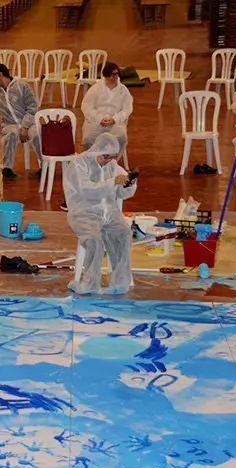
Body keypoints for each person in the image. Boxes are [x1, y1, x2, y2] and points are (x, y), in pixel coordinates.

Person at [64, 133, 136, 295]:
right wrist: (112, 182)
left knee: (124, 233)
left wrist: (129, 183)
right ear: (96, 151)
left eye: (111, 157)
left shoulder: (112, 166)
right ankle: (89, 283)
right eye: (105, 157)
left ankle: (119, 282)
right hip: (84, 213)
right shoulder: (78, 164)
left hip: (109, 213)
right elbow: (86, 190)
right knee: (94, 240)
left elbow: (123, 194)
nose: (107, 161)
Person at [81, 62, 133, 152]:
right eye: (113, 75)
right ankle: (91, 161)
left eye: (117, 74)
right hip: (96, 122)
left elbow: (127, 108)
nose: (115, 77)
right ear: (106, 76)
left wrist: (115, 119)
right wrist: (99, 118)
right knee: (88, 138)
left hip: (115, 123)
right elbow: (86, 107)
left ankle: (111, 161)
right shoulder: (95, 88)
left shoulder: (123, 90)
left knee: (121, 137)